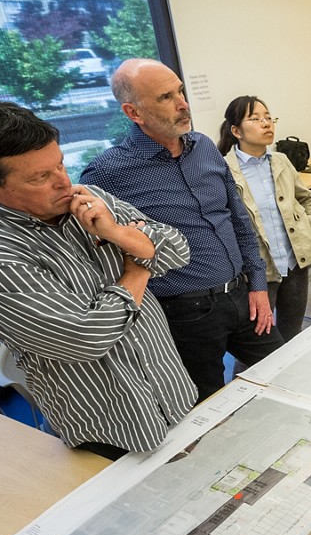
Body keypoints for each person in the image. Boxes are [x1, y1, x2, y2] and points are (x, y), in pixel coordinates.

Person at [0, 100, 196, 457]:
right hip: (112, 431)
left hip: (171, 392)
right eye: (40, 177)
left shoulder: (87, 200)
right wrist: (138, 268)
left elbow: (177, 248)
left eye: (60, 164)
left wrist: (119, 234)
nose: (63, 182)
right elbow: (88, 336)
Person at [81, 59, 279, 402]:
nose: (183, 103)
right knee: (205, 408)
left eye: (181, 91)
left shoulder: (203, 147)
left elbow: (239, 220)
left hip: (243, 295)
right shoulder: (107, 174)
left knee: (283, 372)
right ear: (134, 112)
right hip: (185, 315)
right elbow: (98, 255)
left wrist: (258, 284)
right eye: (166, 97)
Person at [218, 95, 311, 344]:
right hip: (257, 272)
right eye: (255, 119)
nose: (266, 124)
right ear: (236, 130)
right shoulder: (223, 170)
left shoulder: (281, 161)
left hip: (294, 262)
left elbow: (306, 199)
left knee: (291, 334)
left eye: (268, 118)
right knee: (258, 345)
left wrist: (308, 225)